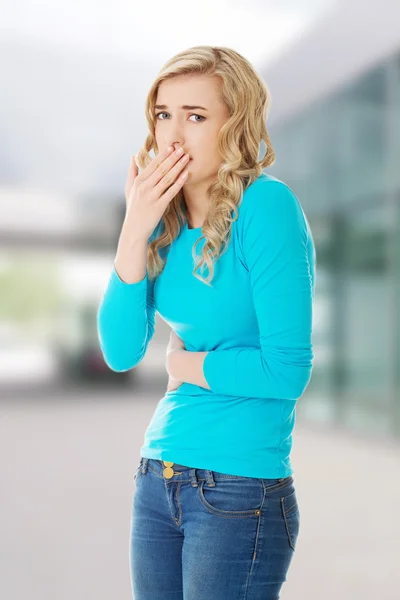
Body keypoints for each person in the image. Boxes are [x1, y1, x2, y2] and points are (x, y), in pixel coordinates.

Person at [97, 45, 316, 600]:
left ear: (234, 126)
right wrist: (132, 230)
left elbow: (286, 372)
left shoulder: (266, 208)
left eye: (195, 117)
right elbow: (120, 353)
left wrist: (182, 363)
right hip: (158, 474)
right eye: (163, 115)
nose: (172, 135)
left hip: (238, 489)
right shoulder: (161, 224)